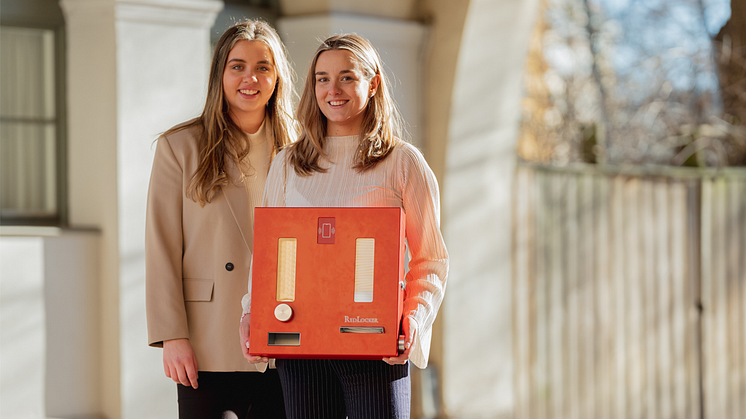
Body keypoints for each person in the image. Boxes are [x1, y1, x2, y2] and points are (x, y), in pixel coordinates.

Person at [239, 34, 448, 419]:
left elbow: (429, 260)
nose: (332, 90)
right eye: (321, 78)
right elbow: (268, 252)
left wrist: (414, 319)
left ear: (373, 83)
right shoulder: (288, 163)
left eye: (347, 77)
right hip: (301, 348)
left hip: (373, 345)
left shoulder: (403, 163)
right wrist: (253, 314)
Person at [145, 20, 295, 418]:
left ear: (277, 76)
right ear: (220, 75)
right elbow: (161, 247)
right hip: (207, 337)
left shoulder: (302, 151)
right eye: (237, 66)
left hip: (286, 334)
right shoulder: (180, 147)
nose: (251, 78)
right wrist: (171, 336)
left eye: (263, 67)